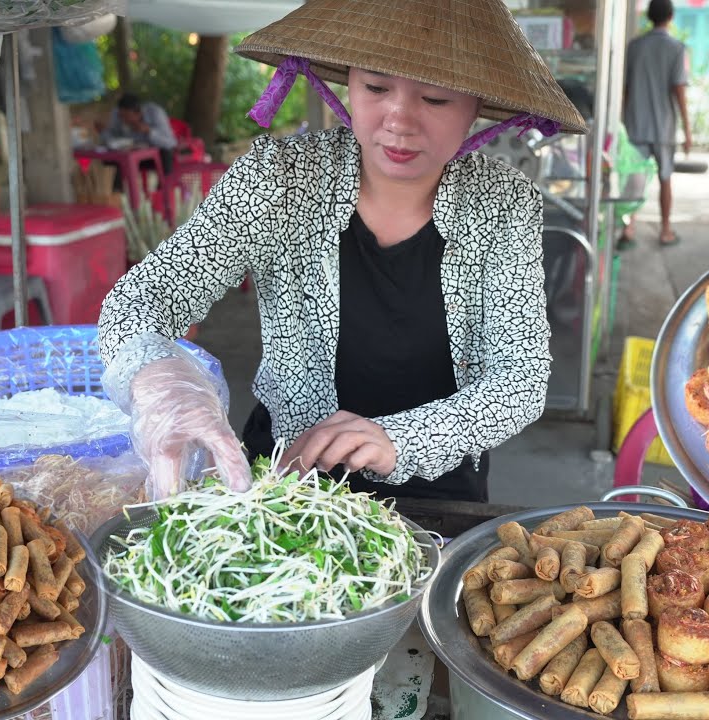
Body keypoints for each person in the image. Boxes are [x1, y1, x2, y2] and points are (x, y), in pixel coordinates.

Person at [97, 0, 586, 503]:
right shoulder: (279, 179)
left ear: (477, 106)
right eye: (376, 87)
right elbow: (142, 299)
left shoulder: (504, 202)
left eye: (435, 99)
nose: (399, 120)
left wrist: (400, 439)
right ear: (348, 84)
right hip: (285, 480)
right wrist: (163, 377)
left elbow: (520, 378)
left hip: (440, 494)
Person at [622, 0, 691, 246]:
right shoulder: (677, 48)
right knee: (664, 178)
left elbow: (626, 89)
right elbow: (679, 91)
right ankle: (665, 230)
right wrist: (687, 129)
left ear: (649, 17)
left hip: (636, 123)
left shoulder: (634, 47)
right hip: (664, 127)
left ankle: (628, 228)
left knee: (633, 178)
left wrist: (622, 120)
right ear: (670, 17)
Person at [100, 93, 178, 173]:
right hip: (131, 154)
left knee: (167, 154)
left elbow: (171, 143)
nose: (123, 120)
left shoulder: (155, 113)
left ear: (138, 113)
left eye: (126, 116)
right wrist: (104, 132)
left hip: (155, 155)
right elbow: (113, 137)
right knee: (114, 158)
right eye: (121, 116)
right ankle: (119, 185)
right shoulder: (117, 114)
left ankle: (163, 185)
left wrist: (149, 132)